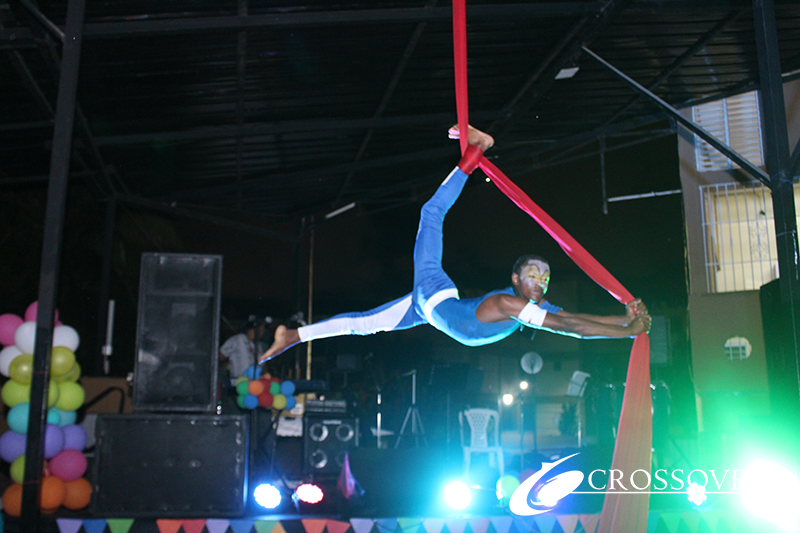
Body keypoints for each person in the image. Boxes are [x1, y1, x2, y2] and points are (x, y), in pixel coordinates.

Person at [259, 125, 650, 363]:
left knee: (363, 325)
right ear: (516, 278)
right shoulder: (508, 304)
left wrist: (624, 319)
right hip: (433, 295)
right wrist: (628, 331)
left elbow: (574, 321)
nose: (541, 281)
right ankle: (476, 150)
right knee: (431, 213)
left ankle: (292, 336)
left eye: (545, 278)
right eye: (534, 274)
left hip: (429, 312)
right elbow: (569, 327)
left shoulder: (531, 306)